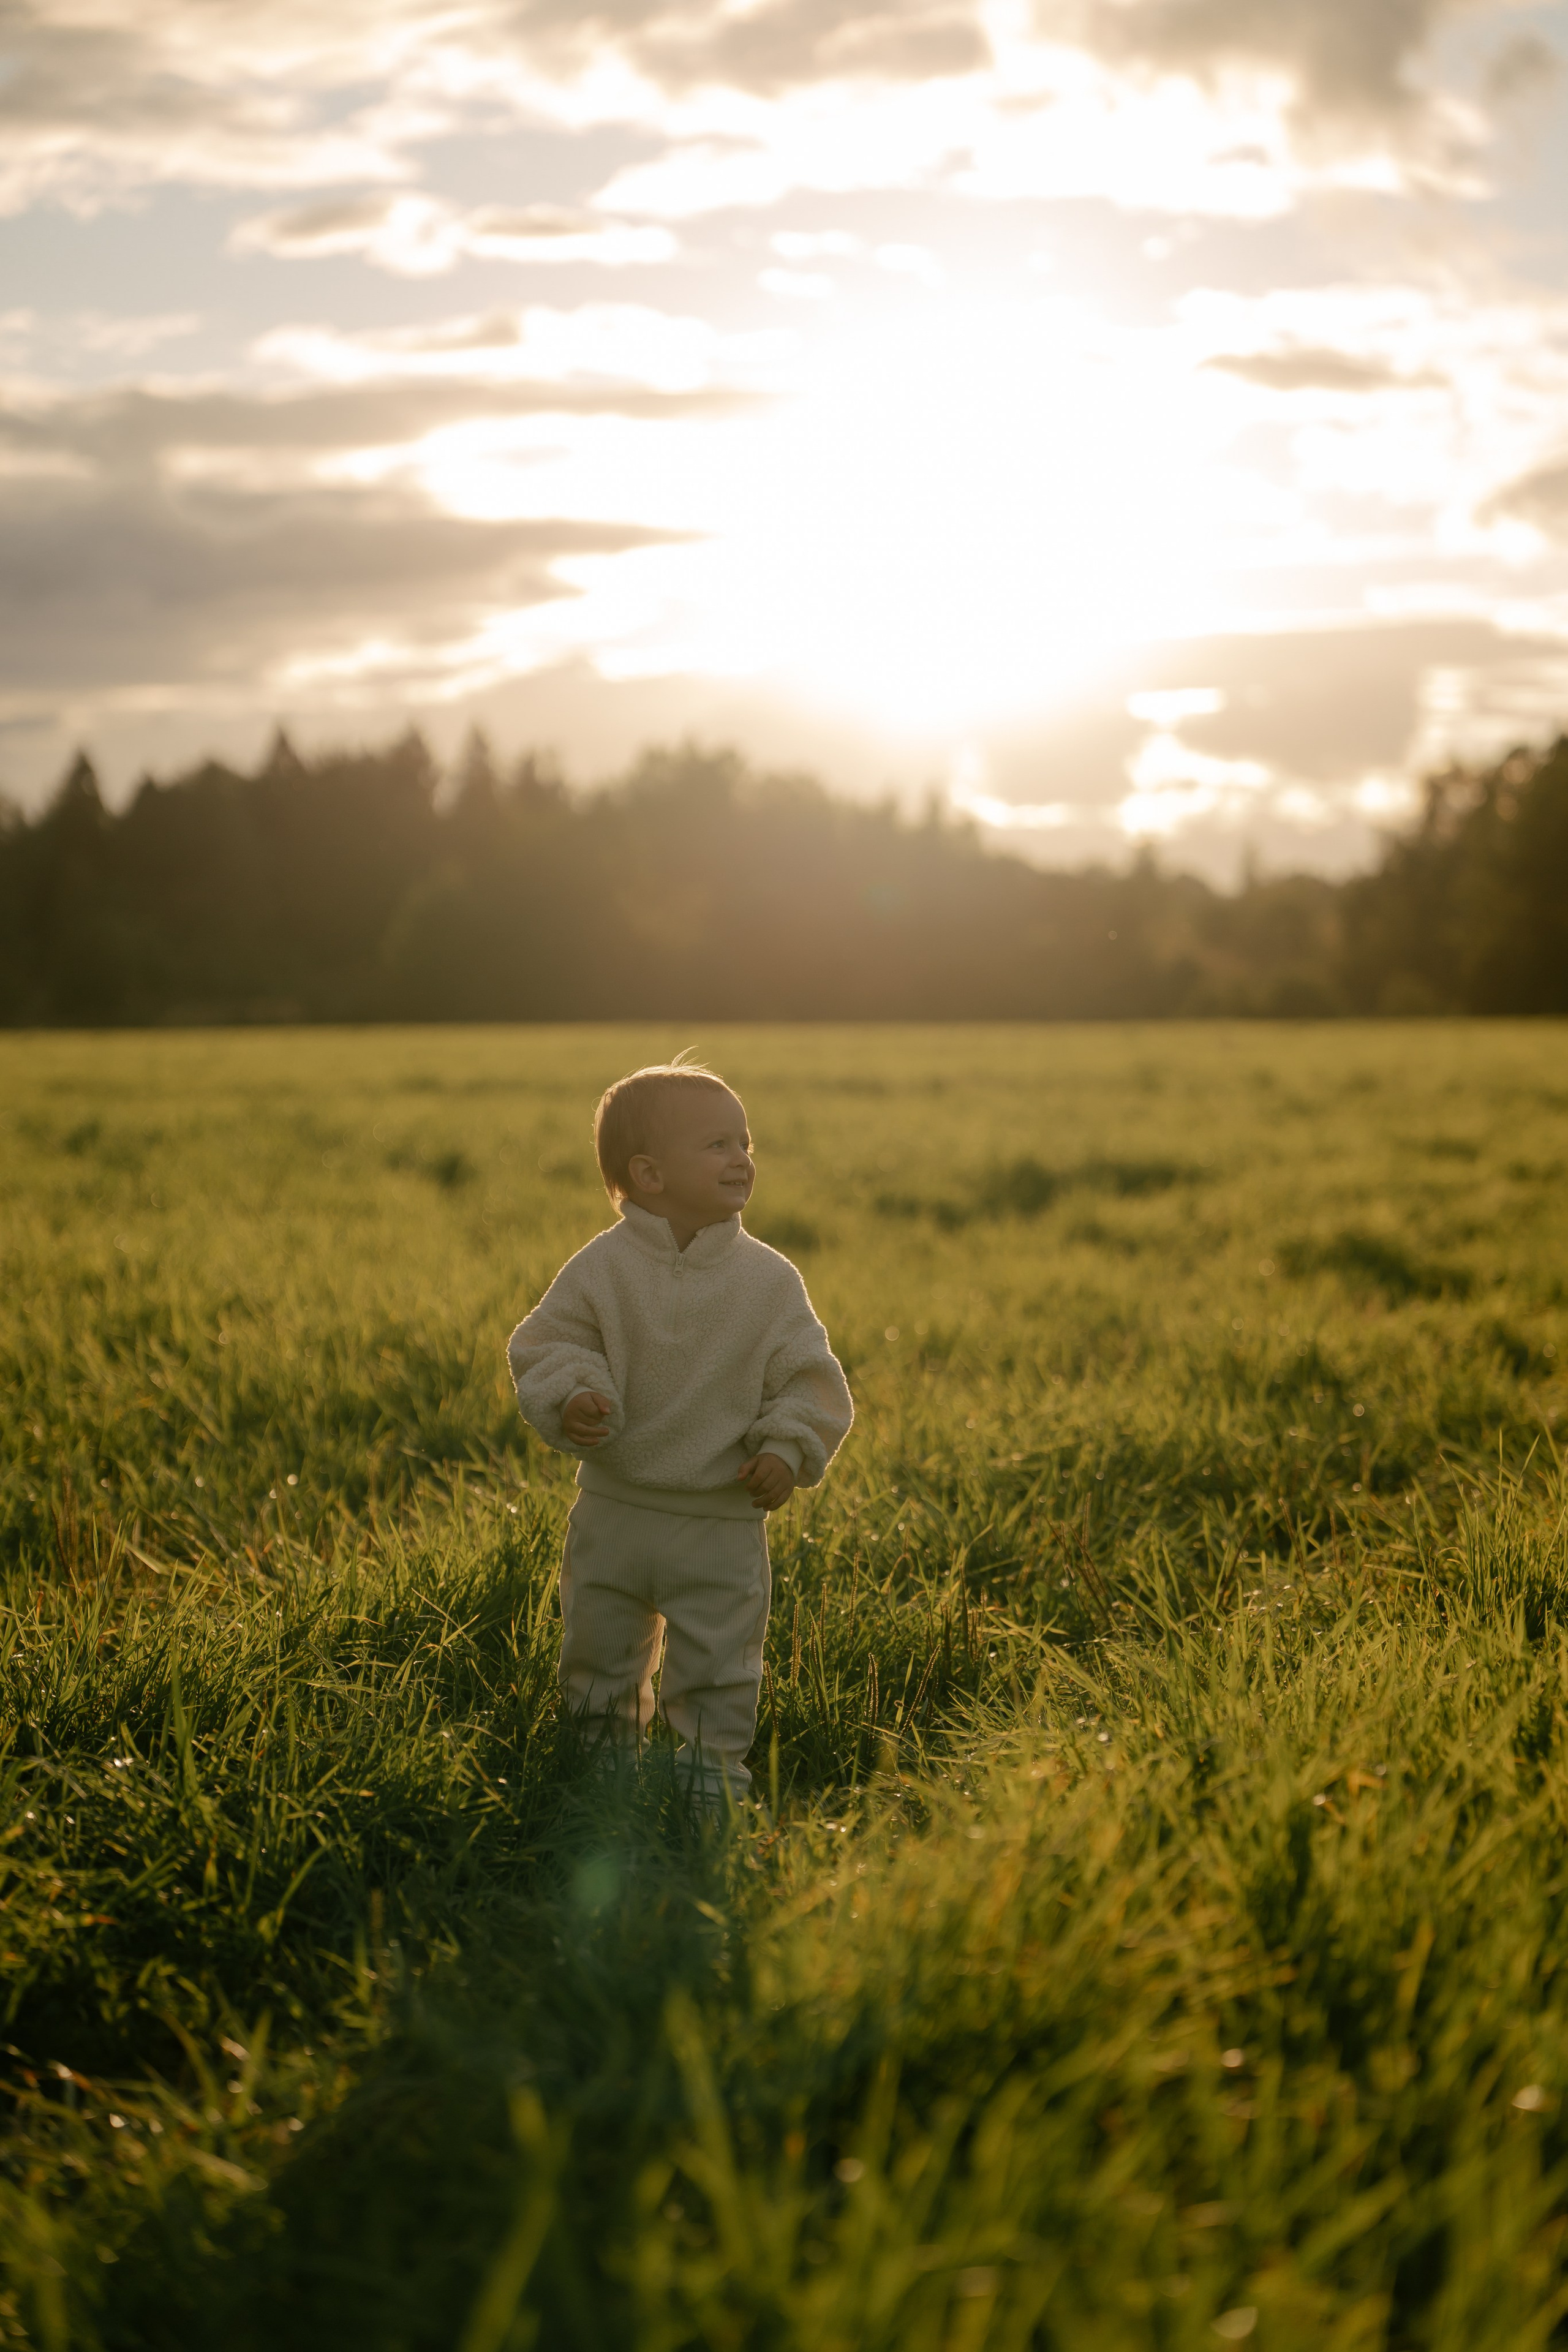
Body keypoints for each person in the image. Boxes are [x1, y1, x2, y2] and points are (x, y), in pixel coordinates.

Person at [507, 1057, 853, 1811]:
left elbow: (807, 1375)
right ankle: (600, 1779)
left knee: (720, 1665)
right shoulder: (601, 1267)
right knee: (598, 1654)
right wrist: (570, 1396)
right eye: (718, 1145)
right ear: (648, 1173)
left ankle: (709, 1786)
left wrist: (786, 1449)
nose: (741, 1159)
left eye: (745, 1143)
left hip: (719, 1520)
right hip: (614, 1512)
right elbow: (546, 1343)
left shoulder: (767, 1280)